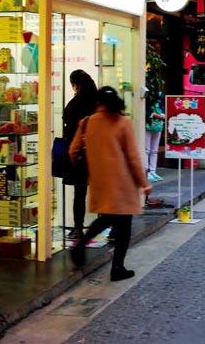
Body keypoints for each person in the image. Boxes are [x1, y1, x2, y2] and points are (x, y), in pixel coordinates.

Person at [69, 87, 152, 281]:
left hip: (99, 181)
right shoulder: (123, 122)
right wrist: (143, 183)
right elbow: (132, 157)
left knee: (106, 218)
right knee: (123, 226)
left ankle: (81, 245)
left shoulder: (86, 122)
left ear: (97, 102)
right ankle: (117, 268)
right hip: (123, 183)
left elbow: (73, 151)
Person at [62, 70, 98, 239]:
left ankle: (78, 227)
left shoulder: (74, 104)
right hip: (98, 153)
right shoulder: (97, 102)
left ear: (75, 85)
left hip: (80, 154)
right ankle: (112, 227)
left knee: (79, 193)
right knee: (103, 191)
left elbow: (69, 129)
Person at [144, 78, 166, 182]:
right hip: (149, 125)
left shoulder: (160, 96)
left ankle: (152, 171)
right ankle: (147, 172)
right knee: (148, 149)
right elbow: (147, 112)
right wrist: (160, 116)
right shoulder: (148, 96)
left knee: (153, 150)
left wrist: (162, 115)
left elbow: (163, 109)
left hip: (157, 125)